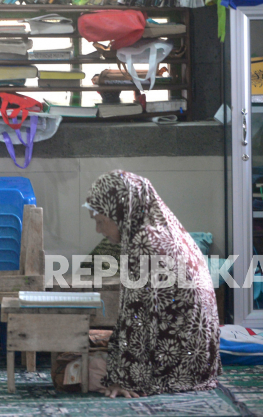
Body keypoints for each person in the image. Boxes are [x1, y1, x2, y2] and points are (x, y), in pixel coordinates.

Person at [83, 170, 222, 398]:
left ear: (122, 213)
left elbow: (137, 318)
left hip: (175, 366)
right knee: (90, 348)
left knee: (76, 369)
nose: (99, 230)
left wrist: (124, 379)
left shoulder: (144, 244)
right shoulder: (165, 230)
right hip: (198, 362)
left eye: (101, 222)